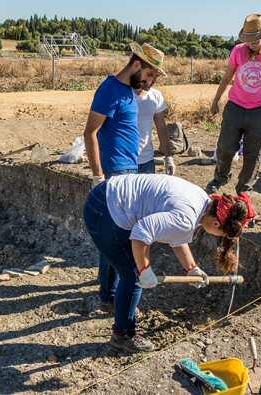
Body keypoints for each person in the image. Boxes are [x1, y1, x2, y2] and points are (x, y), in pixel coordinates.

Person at [83, 174, 255, 352]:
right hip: (105, 210)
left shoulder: (203, 201)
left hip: (107, 196)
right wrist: (144, 270)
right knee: (132, 276)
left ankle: (111, 301)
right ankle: (123, 334)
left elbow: (176, 235)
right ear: (217, 223)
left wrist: (192, 268)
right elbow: (141, 232)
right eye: (222, 235)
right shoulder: (187, 217)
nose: (220, 238)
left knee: (121, 257)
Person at [83, 42, 166, 313]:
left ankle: (112, 294)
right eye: (151, 75)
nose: (151, 81)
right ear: (137, 64)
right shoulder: (110, 90)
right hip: (117, 172)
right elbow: (90, 133)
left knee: (121, 235)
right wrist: (97, 176)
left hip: (132, 169)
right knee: (120, 239)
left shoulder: (130, 91)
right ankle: (110, 297)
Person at [206, 13, 261, 194]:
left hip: (259, 111)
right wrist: (216, 101)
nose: (251, 43)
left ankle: (244, 188)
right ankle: (220, 177)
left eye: (255, 39)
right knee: (225, 148)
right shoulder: (238, 51)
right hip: (235, 107)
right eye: (248, 39)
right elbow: (227, 77)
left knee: (253, 154)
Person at [135, 75, 175, 176]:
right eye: (150, 75)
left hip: (147, 160)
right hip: (123, 162)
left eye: (156, 76)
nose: (154, 81)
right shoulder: (122, 94)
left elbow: (161, 126)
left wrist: (168, 156)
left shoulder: (155, 95)